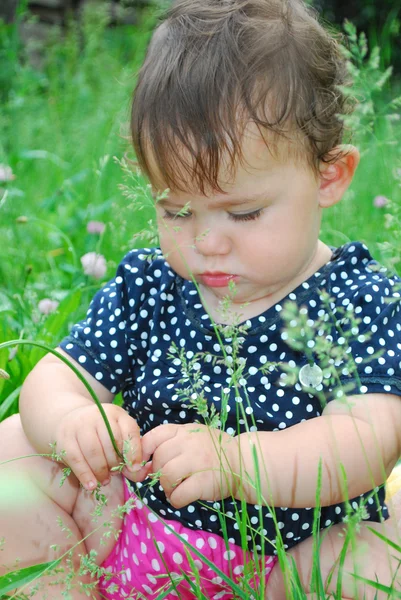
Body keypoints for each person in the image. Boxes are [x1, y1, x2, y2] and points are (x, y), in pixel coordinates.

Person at [1, 0, 401, 598]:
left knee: (374, 566)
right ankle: (62, 587)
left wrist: (241, 464)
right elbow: (56, 376)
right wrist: (75, 420)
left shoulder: (356, 300)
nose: (207, 242)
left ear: (328, 176)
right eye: (176, 211)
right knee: (13, 452)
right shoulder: (153, 286)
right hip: (128, 532)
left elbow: (370, 439)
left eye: (244, 212)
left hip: (286, 563)